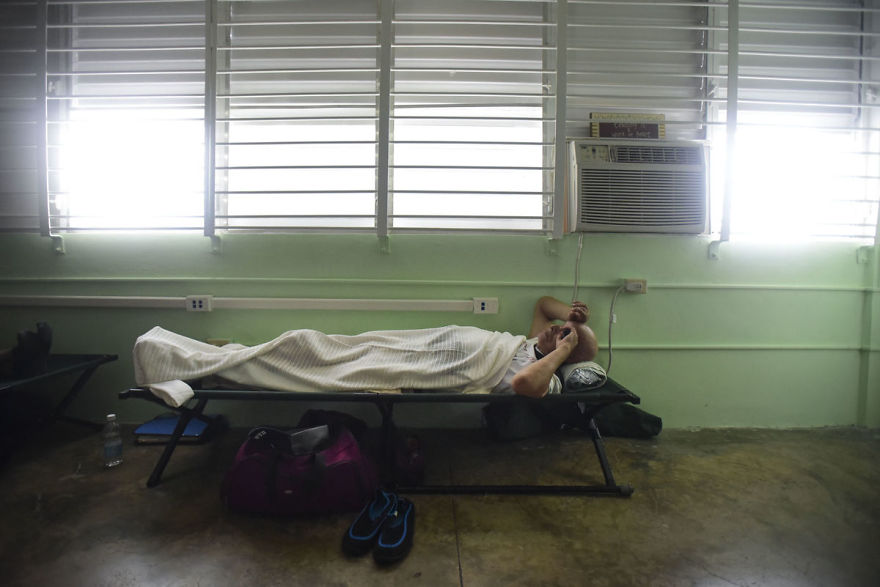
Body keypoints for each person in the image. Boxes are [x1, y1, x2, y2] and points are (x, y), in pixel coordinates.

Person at [134, 296, 598, 407]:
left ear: (562, 356)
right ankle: (224, 360)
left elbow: (523, 386)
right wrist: (574, 317)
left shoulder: (544, 375)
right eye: (554, 328)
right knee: (312, 342)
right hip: (410, 343)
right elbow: (543, 304)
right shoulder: (526, 340)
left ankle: (211, 363)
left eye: (560, 335)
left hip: (423, 364)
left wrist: (559, 353)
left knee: (307, 353)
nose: (551, 328)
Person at [494, 296, 598, 399]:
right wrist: (572, 315)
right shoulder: (537, 342)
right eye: (562, 325)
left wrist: (564, 349)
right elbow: (543, 305)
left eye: (565, 333)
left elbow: (523, 383)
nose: (554, 327)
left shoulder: (548, 377)